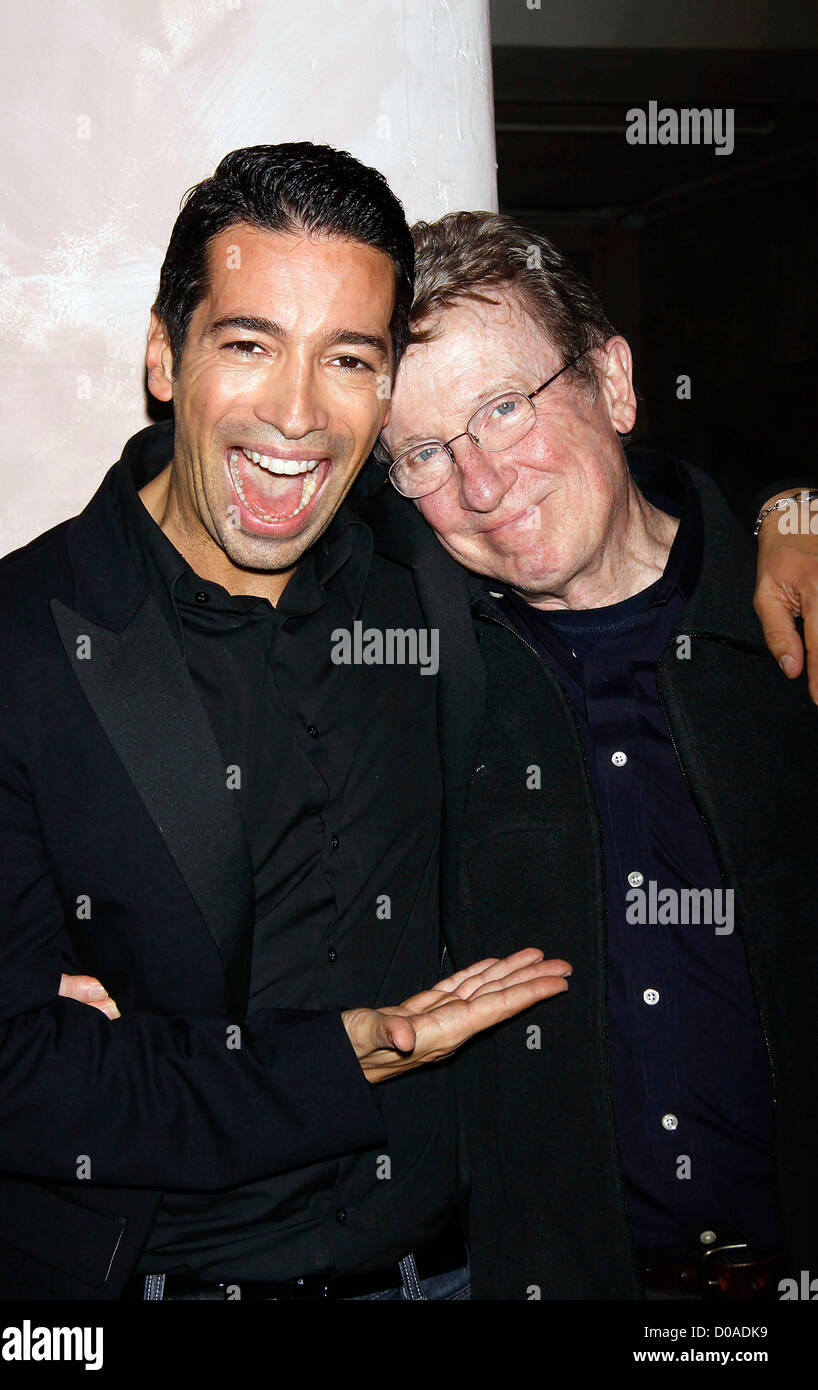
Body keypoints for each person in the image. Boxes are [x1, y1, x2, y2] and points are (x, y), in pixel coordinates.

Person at [0, 147, 572, 1302]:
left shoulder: (429, 566)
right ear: (161, 355)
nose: (295, 412)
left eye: (347, 359)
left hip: (454, 1276)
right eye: (248, 344)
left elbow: (610, 495)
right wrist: (350, 1054)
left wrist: (788, 512)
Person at [378, 211, 818, 1300]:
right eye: (424, 452)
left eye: (503, 407)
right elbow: (198, 471)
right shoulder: (409, 677)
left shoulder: (791, 634)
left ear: (614, 384)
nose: (480, 483)